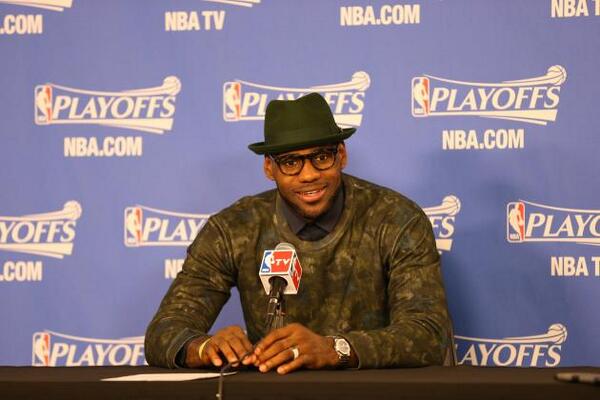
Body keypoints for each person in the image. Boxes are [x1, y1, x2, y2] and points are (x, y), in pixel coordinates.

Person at [145, 92, 454, 374]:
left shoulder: (396, 219)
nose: (308, 175)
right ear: (269, 168)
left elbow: (428, 333)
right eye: (290, 162)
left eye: (321, 157)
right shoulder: (233, 228)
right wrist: (203, 349)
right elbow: (164, 332)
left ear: (341, 155)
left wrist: (335, 349)